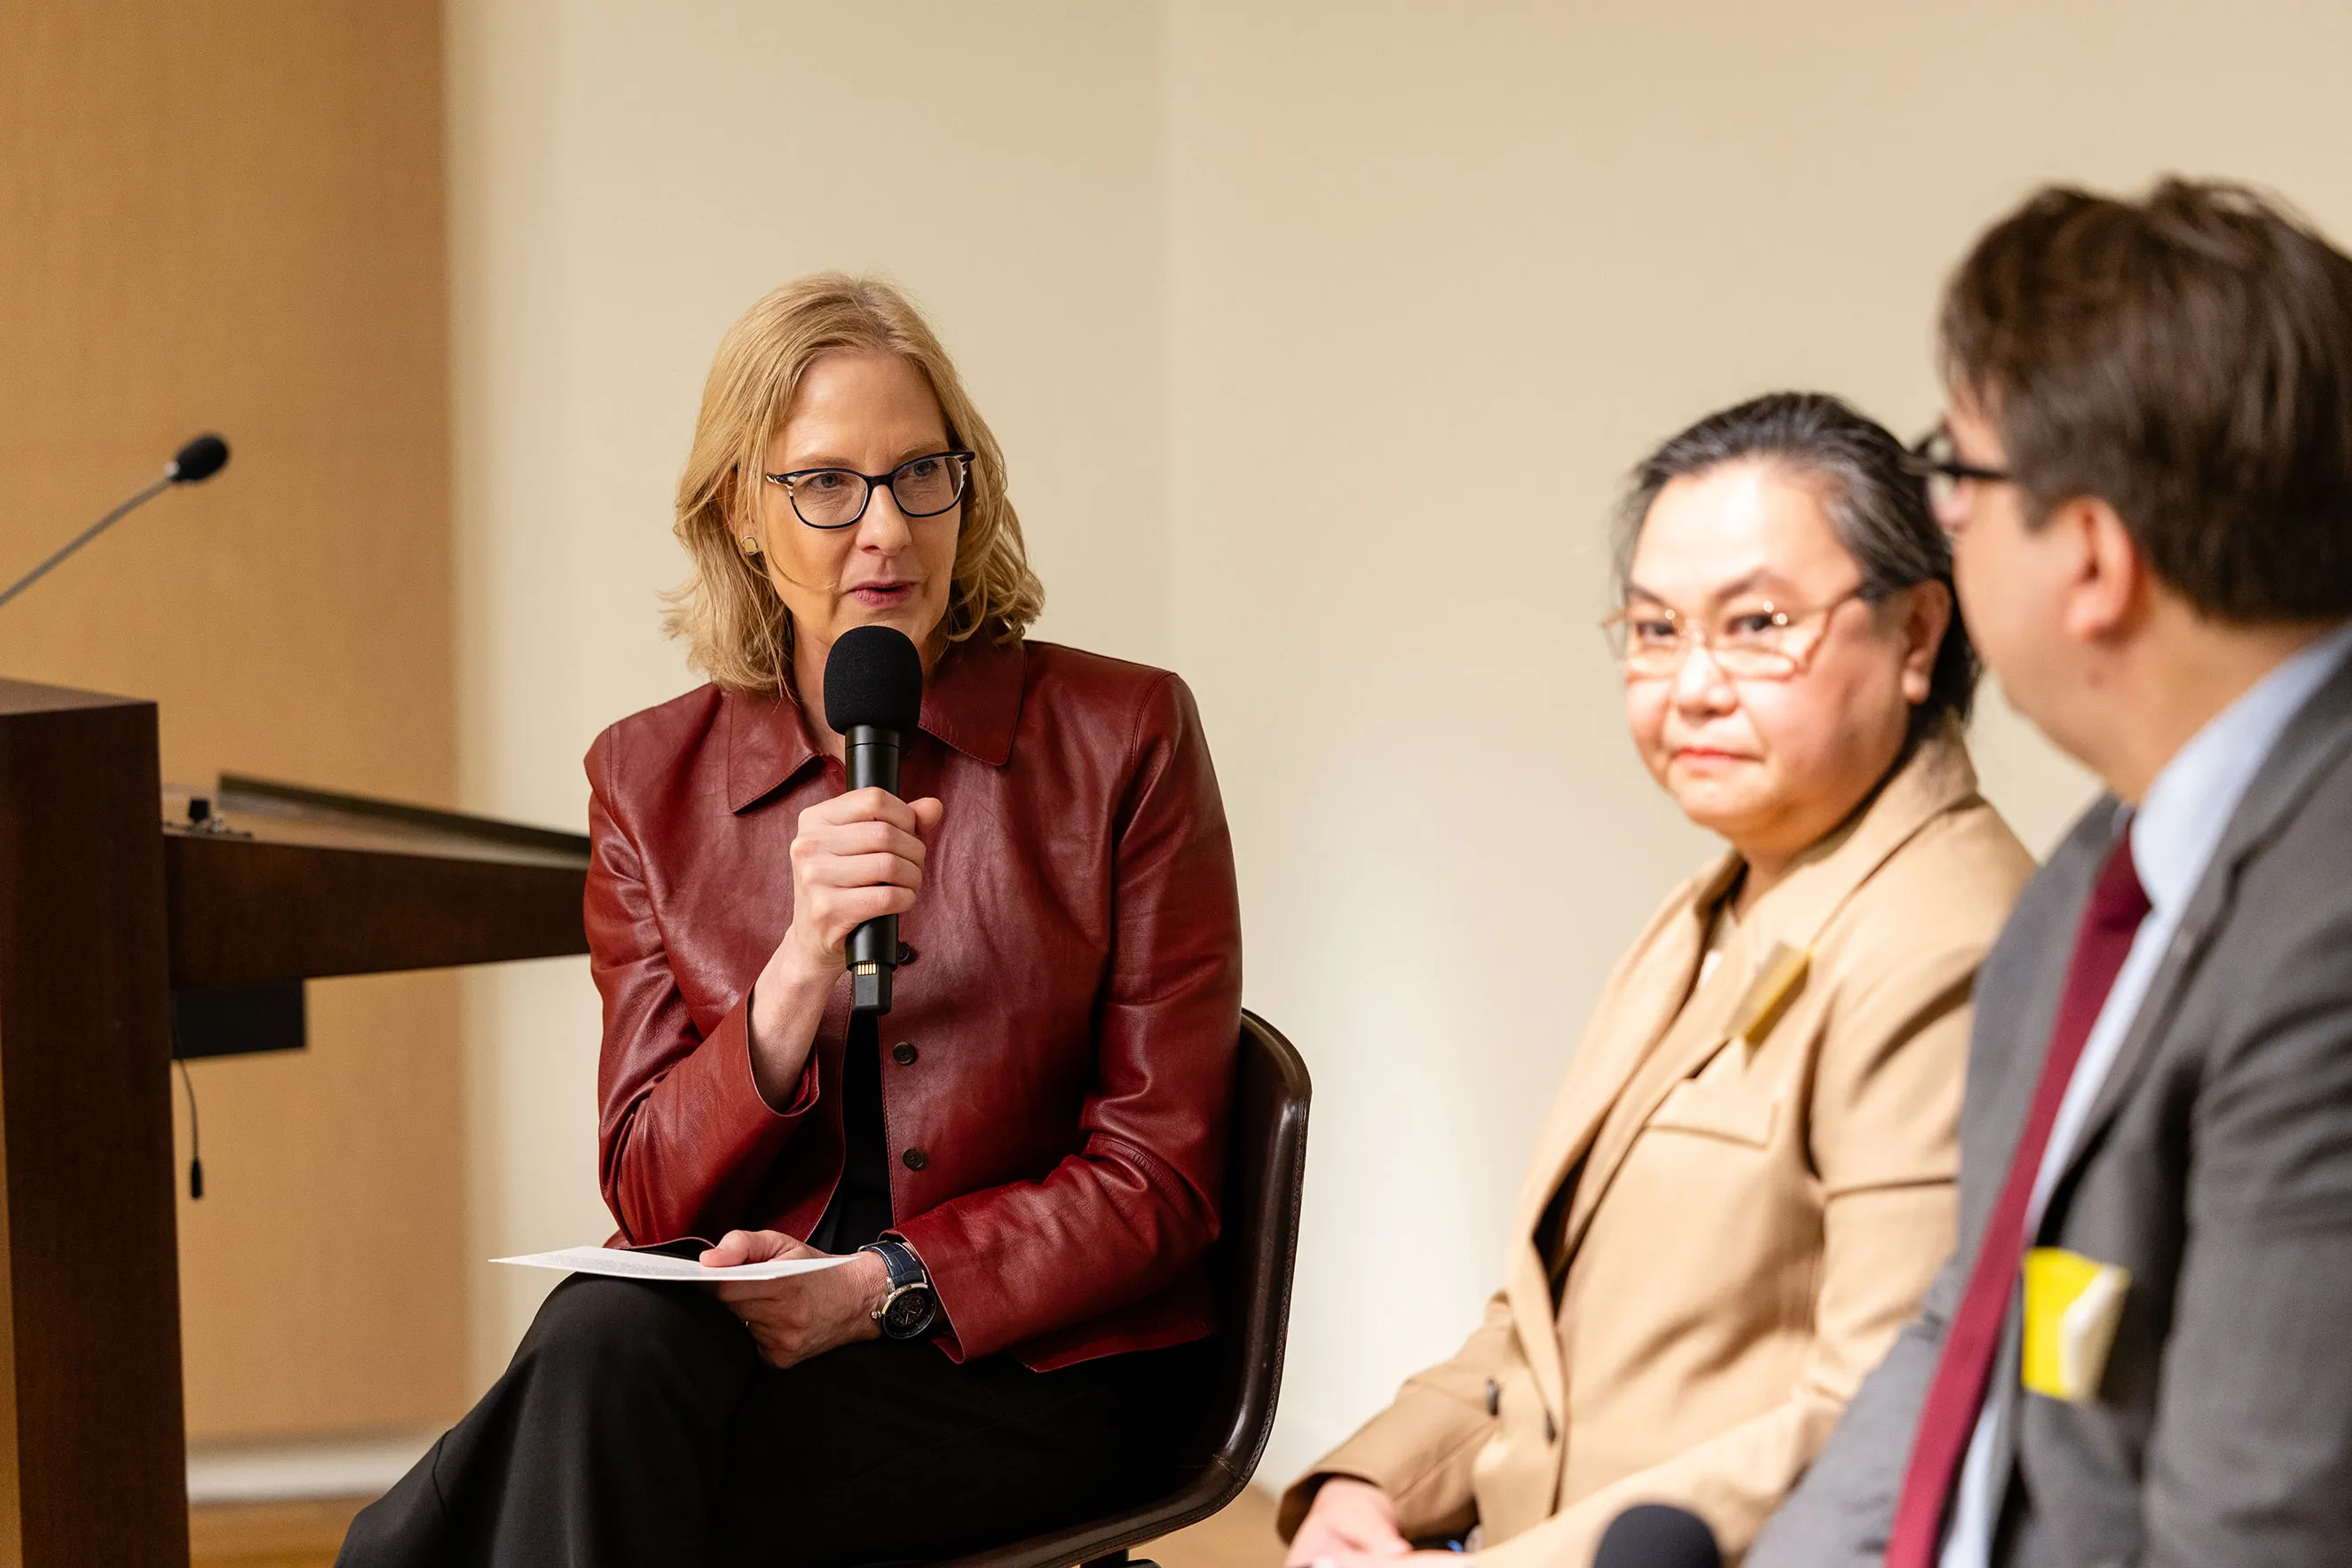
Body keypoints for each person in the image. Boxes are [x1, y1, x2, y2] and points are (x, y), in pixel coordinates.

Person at [338, 274, 1243, 1567]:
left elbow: (1162, 1174)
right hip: (743, 1345)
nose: (884, 529)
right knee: (605, 1336)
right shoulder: (645, 779)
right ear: (739, 516)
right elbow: (649, 1189)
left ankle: (395, 1546)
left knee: (584, 1467)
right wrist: (796, 964)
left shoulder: (1123, 736)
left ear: (964, 489)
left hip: (1031, 1369)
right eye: (824, 483)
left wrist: (880, 1285)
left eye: (919, 473)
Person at [1281, 393, 2035, 1567]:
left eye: (1755, 623)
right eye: (1652, 629)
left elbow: (1879, 1413)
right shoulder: (1712, 904)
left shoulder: (1946, 945)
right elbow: (1544, 1316)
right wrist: (1367, 1480)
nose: (1690, 684)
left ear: (1917, 635)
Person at [1750, 179, 2352, 1568]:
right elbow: (1973, 1317)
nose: (1937, 516)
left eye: (1954, 468)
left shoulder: (2324, 930)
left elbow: (2257, 1532)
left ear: (2089, 557)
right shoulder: (2097, 866)